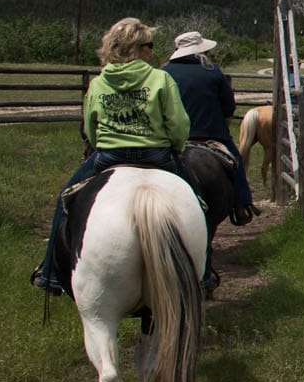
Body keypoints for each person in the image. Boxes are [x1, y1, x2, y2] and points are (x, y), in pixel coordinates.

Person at [31, 18, 198, 296]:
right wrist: (177, 147)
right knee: (197, 199)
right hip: (156, 155)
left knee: (65, 200)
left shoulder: (99, 83)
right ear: (137, 48)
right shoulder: (160, 78)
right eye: (148, 45)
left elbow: (90, 126)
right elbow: (178, 124)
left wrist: (101, 145)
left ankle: (51, 273)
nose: (151, 51)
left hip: (109, 157)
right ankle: (200, 275)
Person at [163, 30, 257, 225]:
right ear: (199, 51)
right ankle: (242, 205)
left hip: (172, 139)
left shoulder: (164, 73)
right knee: (236, 161)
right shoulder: (212, 71)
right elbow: (229, 107)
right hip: (211, 135)